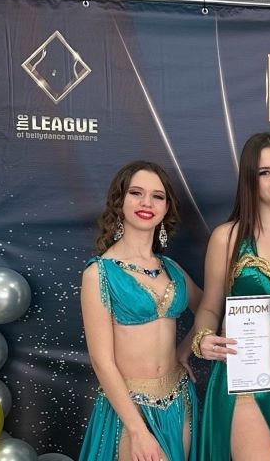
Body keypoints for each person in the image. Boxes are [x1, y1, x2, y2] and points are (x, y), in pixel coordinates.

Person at [194, 132, 270, 461]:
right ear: (250, 180)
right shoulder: (228, 237)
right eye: (265, 172)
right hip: (244, 375)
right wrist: (203, 337)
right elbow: (210, 307)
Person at [79, 161, 202, 461]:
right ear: (119, 201)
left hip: (179, 400)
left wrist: (184, 351)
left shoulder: (171, 268)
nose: (147, 203)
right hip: (129, 410)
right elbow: (102, 361)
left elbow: (209, 311)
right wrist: (138, 431)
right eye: (136, 193)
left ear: (166, 207)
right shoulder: (99, 274)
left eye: (157, 196)